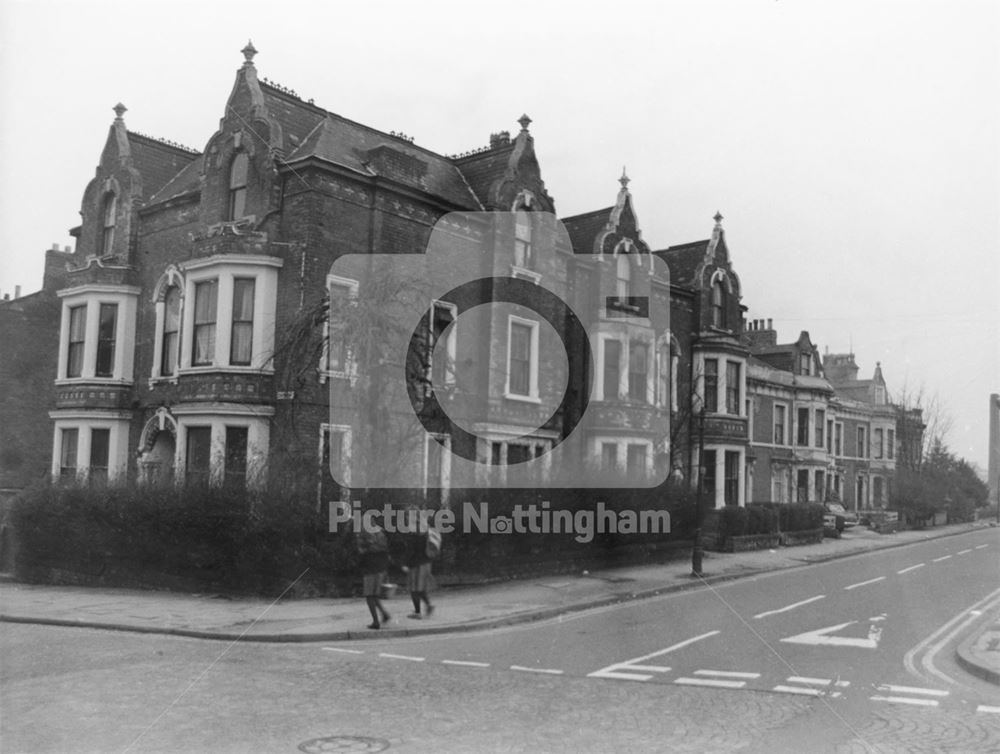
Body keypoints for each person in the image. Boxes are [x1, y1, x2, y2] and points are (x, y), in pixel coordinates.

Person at [356, 521, 391, 629]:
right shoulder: (381, 533)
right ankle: (384, 614)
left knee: (369, 596)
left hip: (370, 568)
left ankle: (376, 622)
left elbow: (362, 551)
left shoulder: (364, 534)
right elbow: (385, 551)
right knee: (374, 595)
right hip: (381, 568)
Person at [402, 510, 437, 619]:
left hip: (417, 564)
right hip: (426, 563)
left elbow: (411, 550)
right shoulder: (425, 528)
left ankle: (417, 613)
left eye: (407, 516)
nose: (406, 519)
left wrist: (406, 564)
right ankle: (429, 605)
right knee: (420, 588)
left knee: (414, 589)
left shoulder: (414, 531)